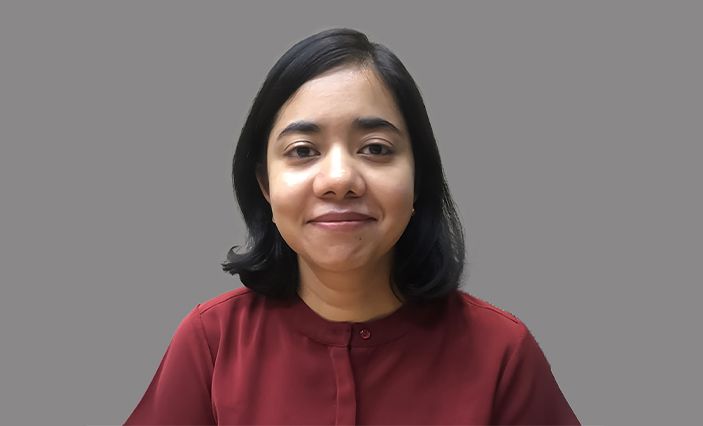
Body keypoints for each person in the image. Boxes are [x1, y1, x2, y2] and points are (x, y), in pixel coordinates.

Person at [125, 28, 580, 425]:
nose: (339, 179)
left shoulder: (501, 353)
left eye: (376, 148)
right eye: (303, 151)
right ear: (265, 183)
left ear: (418, 178)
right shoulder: (212, 342)